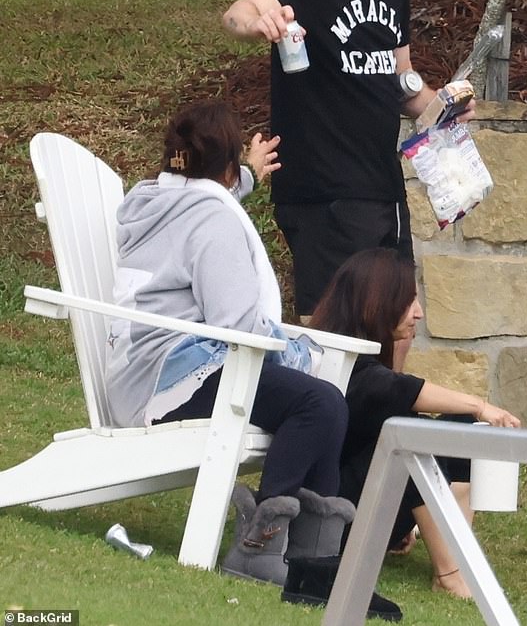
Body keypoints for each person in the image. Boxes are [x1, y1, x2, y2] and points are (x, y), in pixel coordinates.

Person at [105, 100, 399, 620]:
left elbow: (206, 200)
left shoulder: (157, 200)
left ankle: (316, 566)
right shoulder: (212, 223)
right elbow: (235, 323)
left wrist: (245, 177)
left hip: (147, 371)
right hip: (172, 380)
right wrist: (294, 349)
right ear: (224, 165)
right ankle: (262, 552)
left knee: (324, 403)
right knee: (318, 403)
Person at [222, 0, 476, 319]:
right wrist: (261, 22)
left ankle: (382, 397)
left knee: (400, 320)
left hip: (383, 184)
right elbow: (238, 12)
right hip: (324, 189)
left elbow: (400, 81)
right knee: (333, 330)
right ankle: (329, 398)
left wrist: (441, 106)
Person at [311, 247, 521, 599]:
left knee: (462, 425)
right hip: (333, 523)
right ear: (376, 302)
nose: (419, 314)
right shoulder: (339, 363)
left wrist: (474, 412)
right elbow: (397, 390)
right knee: (407, 434)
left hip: (368, 507)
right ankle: (449, 573)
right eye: (409, 302)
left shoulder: (363, 361)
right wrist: (482, 405)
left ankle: (456, 554)